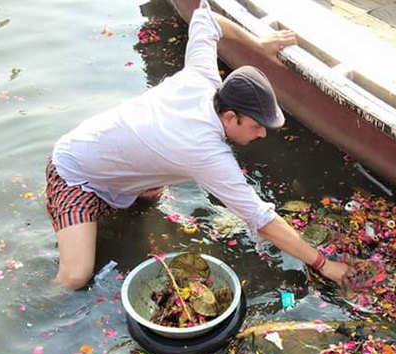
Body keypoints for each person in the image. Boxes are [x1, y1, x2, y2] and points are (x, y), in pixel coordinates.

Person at [45, 0, 351, 290]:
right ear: (230, 117)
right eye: (257, 126)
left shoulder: (204, 77)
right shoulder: (204, 151)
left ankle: (122, 206)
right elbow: (262, 218)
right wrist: (324, 264)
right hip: (75, 174)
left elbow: (207, 19)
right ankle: (53, 262)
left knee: (152, 195)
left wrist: (258, 46)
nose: (261, 135)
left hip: (116, 162)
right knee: (76, 277)